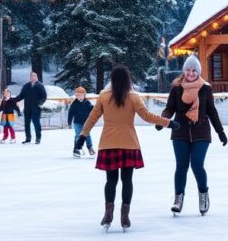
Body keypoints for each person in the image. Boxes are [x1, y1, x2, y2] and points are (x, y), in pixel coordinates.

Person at [75, 66, 176, 231]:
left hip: (109, 144)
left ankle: (108, 213)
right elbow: (147, 116)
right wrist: (169, 123)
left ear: (112, 80)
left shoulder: (104, 96)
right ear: (128, 79)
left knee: (111, 180)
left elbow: (92, 118)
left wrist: (82, 136)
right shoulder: (133, 97)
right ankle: (124, 216)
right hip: (129, 144)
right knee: (127, 180)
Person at [160, 55, 226, 216]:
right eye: (188, 70)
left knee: (197, 164)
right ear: (184, 71)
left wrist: (220, 132)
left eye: (194, 70)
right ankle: (178, 198)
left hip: (201, 132)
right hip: (180, 131)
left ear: (198, 72)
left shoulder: (205, 88)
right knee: (181, 166)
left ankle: (203, 194)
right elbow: (170, 108)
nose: (190, 73)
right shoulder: (176, 88)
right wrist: (163, 119)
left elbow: (212, 111)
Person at [13, 72, 47, 144]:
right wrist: (12, 100)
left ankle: (38, 138)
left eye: (34, 75)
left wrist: (39, 103)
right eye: (31, 76)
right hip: (27, 108)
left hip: (36, 109)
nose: (32, 77)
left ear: (36, 77)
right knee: (27, 124)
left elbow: (44, 96)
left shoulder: (40, 85)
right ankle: (28, 138)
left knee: (36, 124)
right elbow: (21, 96)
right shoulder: (26, 86)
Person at [68, 87, 94, 158]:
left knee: (87, 135)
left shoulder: (87, 103)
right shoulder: (74, 104)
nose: (79, 97)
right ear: (76, 96)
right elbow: (70, 113)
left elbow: (93, 111)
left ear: (84, 95)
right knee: (78, 135)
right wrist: (69, 122)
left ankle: (90, 147)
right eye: (77, 95)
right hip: (77, 123)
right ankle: (76, 149)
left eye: (81, 95)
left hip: (86, 122)